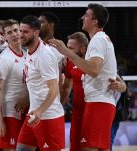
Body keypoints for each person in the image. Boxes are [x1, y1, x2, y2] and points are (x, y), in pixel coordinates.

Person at [49, 3, 117, 151]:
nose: (82, 17)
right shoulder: (102, 39)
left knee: (88, 148)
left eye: (86, 15)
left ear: (95, 21)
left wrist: (67, 52)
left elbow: (93, 70)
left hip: (98, 102)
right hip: (99, 102)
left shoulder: (98, 40)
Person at [17, 15, 65, 151]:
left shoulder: (44, 55)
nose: (21, 35)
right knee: (22, 148)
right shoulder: (30, 51)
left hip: (48, 116)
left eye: (25, 32)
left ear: (36, 33)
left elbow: (54, 89)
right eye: (20, 31)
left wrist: (40, 111)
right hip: (34, 114)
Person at [0, 19, 26, 150]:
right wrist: (0, 120)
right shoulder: (4, 59)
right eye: (10, 32)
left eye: (16, 30)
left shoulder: (26, 54)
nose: (14, 34)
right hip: (8, 113)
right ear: (5, 37)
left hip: (23, 111)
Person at [60, 32, 88, 151]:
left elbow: (114, 75)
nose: (67, 50)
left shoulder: (95, 61)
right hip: (77, 112)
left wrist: (123, 85)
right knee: (75, 146)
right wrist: (59, 104)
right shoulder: (70, 62)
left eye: (71, 48)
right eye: (67, 47)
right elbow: (66, 86)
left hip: (93, 110)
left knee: (93, 146)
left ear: (82, 49)